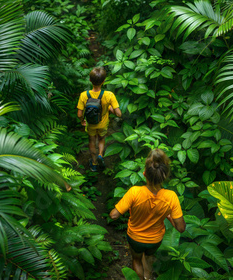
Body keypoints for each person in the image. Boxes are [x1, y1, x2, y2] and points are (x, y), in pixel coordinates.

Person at [109, 149, 186, 280]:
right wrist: (168, 216)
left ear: (144, 174)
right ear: (164, 176)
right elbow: (181, 228)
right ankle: (148, 277)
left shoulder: (134, 192)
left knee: (137, 259)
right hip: (155, 240)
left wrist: (128, 207)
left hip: (135, 238)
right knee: (149, 257)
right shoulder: (171, 197)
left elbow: (113, 215)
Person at [77, 67, 122, 172]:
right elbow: (118, 114)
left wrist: (82, 120)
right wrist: (110, 109)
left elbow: (79, 114)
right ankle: (101, 155)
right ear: (103, 81)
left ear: (90, 80)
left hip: (91, 124)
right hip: (103, 124)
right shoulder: (109, 95)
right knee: (101, 139)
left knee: (92, 141)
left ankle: (94, 162)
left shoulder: (84, 95)